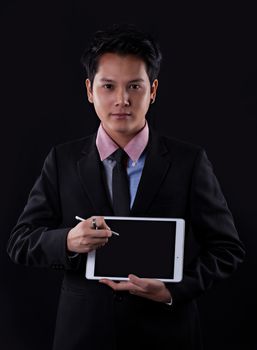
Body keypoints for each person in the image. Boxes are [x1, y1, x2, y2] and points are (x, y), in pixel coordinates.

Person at [7, 24, 245, 350]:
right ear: (90, 90)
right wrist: (68, 240)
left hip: (166, 334)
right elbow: (20, 242)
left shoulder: (188, 161)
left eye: (135, 86)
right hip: (83, 335)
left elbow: (227, 248)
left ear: (154, 90)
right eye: (108, 86)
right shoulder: (62, 160)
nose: (122, 100)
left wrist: (174, 291)